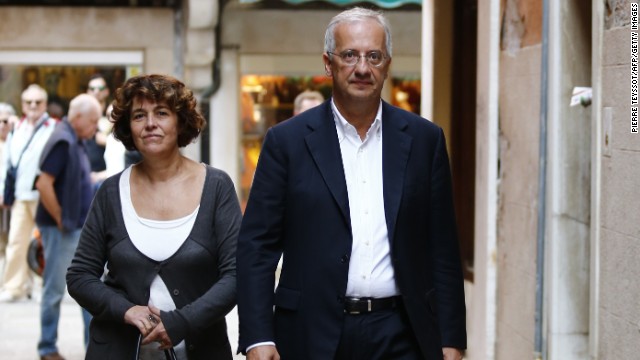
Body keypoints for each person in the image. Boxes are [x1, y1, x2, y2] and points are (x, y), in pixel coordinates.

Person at [236, 7, 467, 360]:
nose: (362, 68)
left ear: (387, 64)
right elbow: (257, 247)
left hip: (403, 333)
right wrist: (257, 337)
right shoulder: (287, 142)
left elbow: (443, 249)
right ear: (328, 63)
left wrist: (451, 338)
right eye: (350, 55)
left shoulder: (424, 141)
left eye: (374, 56)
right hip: (311, 333)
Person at [67, 74, 242, 360]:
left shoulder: (216, 187)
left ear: (180, 120)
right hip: (117, 350)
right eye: (139, 115)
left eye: (162, 113)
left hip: (202, 350)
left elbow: (237, 275)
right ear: (129, 126)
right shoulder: (111, 192)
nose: (150, 123)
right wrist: (126, 310)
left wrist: (182, 321)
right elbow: (80, 276)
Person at [34, 93, 102, 360]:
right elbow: (43, 183)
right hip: (62, 229)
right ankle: (47, 347)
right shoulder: (63, 139)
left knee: (87, 287)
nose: (95, 127)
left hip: (75, 227)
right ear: (77, 118)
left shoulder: (75, 139)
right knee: (54, 290)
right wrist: (61, 218)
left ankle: (92, 347)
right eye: (93, 121)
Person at [0, 84, 58, 303]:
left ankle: (47, 287)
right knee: (16, 241)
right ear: (23, 105)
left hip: (44, 195)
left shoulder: (53, 127)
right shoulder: (17, 128)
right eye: (29, 102)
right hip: (20, 195)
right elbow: (9, 164)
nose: (33, 106)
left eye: (38, 102)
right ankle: (15, 287)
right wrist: (7, 195)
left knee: (45, 244)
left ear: (44, 104)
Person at [0, 103, 18, 271]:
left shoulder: (17, 140)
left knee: (14, 242)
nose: (2, 126)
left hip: (14, 201)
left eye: (5, 121)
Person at [85, 73, 111, 187]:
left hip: (105, 179)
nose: (96, 91)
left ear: (106, 91)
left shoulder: (112, 115)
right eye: (92, 88)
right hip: (85, 179)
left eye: (100, 88)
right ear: (87, 91)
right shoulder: (81, 116)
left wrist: (108, 141)